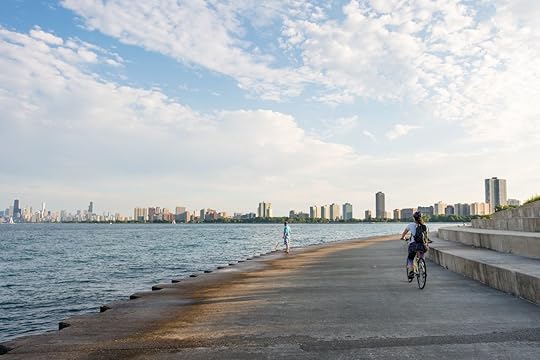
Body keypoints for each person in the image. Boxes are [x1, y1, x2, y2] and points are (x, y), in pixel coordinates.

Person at [400, 211, 429, 279]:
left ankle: (411, 272)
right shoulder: (425, 226)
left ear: (414, 218)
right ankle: (423, 268)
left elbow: (404, 233)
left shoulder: (410, 225)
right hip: (422, 245)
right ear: (421, 217)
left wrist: (402, 238)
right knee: (422, 256)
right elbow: (426, 237)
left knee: (410, 258)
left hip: (413, 245)